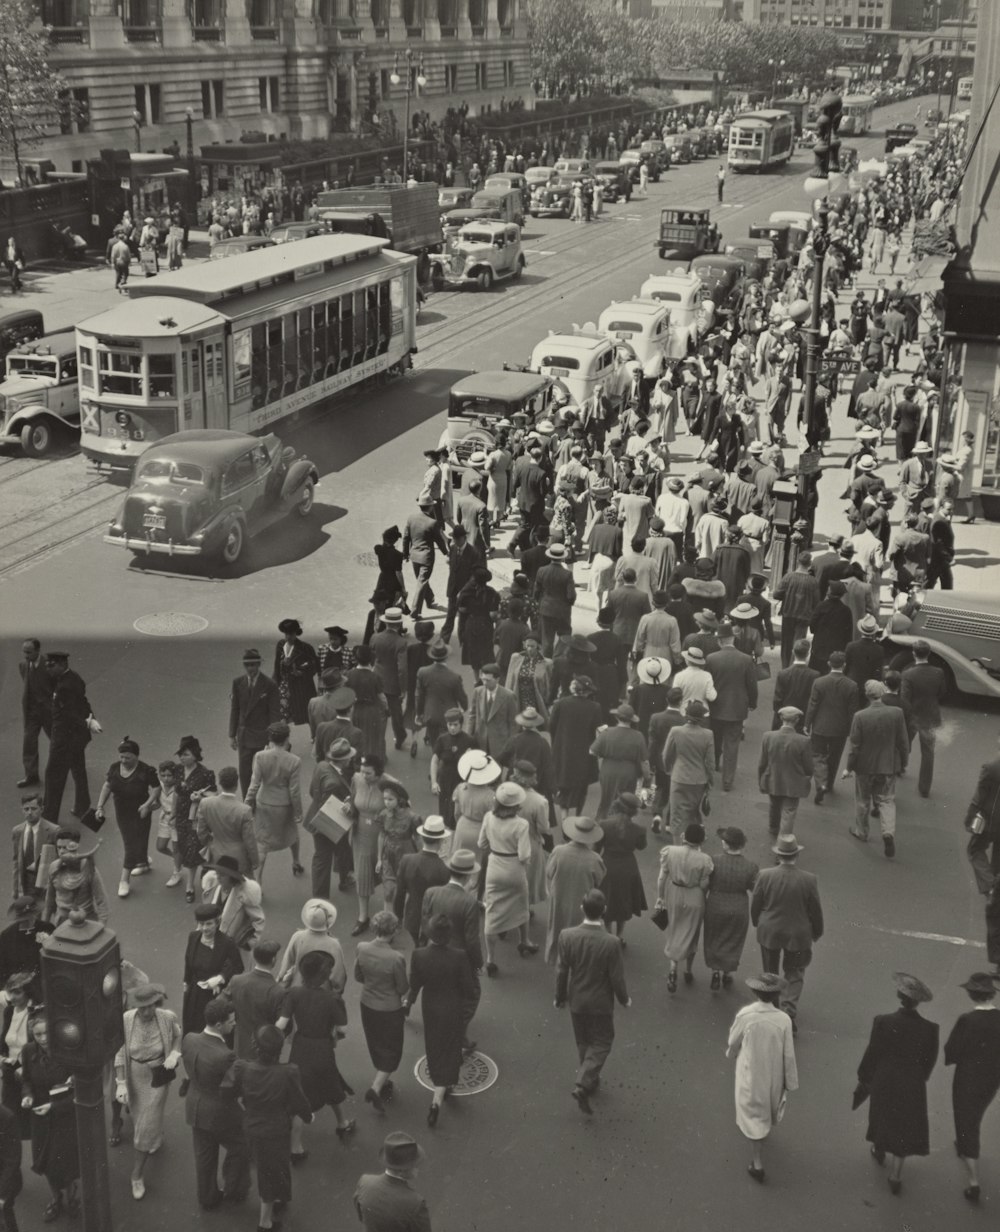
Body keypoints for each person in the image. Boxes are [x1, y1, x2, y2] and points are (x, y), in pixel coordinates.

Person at [221, 1025, 313, 1232]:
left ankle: (276, 1200)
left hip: (252, 1125)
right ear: (279, 1049)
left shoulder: (242, 1068)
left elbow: (226, 1091)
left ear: (255, 1047)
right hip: (276, 1129)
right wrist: (308, 1116)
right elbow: (300, 1102)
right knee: (271, 1172)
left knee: (269, 1167)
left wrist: (242, 1102)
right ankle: (265, 1223)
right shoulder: (288, 1072)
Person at [855, 972, 938, 1196]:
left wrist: (864, 1076)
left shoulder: (883, 1021)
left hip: (885, 1077)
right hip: (912, 1081)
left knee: (883, 1114)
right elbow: (929, 1062)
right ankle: (896, 1175)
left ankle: (879, 1148)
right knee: (905, 1123)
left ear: (900, 996)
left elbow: (872, 1053)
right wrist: (919, 1078)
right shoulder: (930, 1029)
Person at [554, 888, 630, 1116]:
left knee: (583, 1040)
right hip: (600, 1002)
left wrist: (559, 997)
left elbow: (561, 971)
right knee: (603, 1041)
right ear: (604, 911)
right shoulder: (611, 942)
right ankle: (584, 1081)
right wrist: (624, 999)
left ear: (581, 908)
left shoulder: (567, 936)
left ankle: (589, 1077)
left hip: (577, 999)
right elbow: (616, 977)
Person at [276, 951, 355, 1151]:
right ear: (324, 974)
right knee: (331, 1083)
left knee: (300, 1093)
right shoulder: (332, 998)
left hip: (301, 1046)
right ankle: (342, 1124)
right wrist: (334, 1035)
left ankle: (297, 1147)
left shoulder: (293, 993)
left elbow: (281, 1023)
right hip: (323, 1047)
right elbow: (342, 1029)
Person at [726, 972, 798, 1183]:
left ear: (755, 992)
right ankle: (761, 1137)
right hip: (773, 1071)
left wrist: (731, 1053)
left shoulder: (746, 1015)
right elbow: (788, 1053)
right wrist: (790, 1080)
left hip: (750, 1069)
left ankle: (757, 1162)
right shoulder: (783, 1019)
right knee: (766, 1105)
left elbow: (733, 1041)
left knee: (752, 1108)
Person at [406, 915, 477, 1128]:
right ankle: (438, 1097)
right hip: (452, 1006)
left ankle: (440, 1085)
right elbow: (468, 988)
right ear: (449, 936)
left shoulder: (419, 955)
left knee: (434, 1045)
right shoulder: (459, 956)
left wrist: (409, 1001)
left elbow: (415, 983)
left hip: (431, 1006)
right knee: (451, 1045)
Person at [180, 996, 250, 1210]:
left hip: (196, 1107)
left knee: (204, 1156)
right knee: (242, 1145)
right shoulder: (226, 1055)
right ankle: (234, 1187)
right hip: (221, 1112)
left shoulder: (190, 1039)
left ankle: (208, 1197)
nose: (234, 1023)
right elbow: (236, 1086)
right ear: (219, 1025)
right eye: (231, 1021)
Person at [114, 983, 182, 1200]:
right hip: (134, 1075)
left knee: (146, 1121)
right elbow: (120, 1051)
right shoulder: (126, 1019)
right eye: (141, 1008)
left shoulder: (166, 1017)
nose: (145, 1012)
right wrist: (121, 1082)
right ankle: (153, 1136)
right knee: (139, 1115)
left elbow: (178, 1035)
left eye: (150, 1007)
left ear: (157, 1004)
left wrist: (174, 1053)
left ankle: (137, 1175)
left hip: (157, 1076)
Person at [751, 835, 823, 1031]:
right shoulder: (809, 879)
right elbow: (815, 909)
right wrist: (817, 931)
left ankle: (773, 1007)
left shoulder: (765, 875)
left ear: (778, 856)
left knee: (770, 970)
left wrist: (757, 921)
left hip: (770, 930)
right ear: (796, 855)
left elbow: (756, 903)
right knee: (795, 971)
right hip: (798, 933)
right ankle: (788, 1012)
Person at [943, 971, 1000, 1204]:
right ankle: (963, 1144)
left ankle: (974, 1181)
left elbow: (951, 1051)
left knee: (966, 1119)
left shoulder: (967, 1020)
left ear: (972, 995)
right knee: (974, 1116)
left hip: (967, 1078)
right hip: (991, 1079)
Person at [19, 1011, 80, 1219]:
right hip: (40, 1115)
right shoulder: (28, 1052)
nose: (43, 1038)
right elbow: (26, 1079)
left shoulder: (67, 1051)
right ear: (32, 1035)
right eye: (38, 1034)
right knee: (45, 1160)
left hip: (63, 1112)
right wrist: (27, 1096)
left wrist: (53, 1106)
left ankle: (71, 1194)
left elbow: (77, 1088)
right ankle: (56, 1198)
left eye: (46, 1033)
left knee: (65, 1159)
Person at [422, 850, 483, 1053]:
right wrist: (478, 963)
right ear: (467, 876)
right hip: (459, 958)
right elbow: (472, 940)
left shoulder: (431, 893)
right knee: (471, 995)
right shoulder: (469, 902)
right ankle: (457, 1033)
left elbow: (425, 922)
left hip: (433, 950)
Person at [846, 679, 909, 858]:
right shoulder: (897, 713)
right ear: (882, 693)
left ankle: (862, 832)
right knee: (887, 800)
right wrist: (903, 763)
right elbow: (903, 742)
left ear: (867, 695)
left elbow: (855, 746)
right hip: (887, 765)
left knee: (863, 800)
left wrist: (849, 767)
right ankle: (888, 832)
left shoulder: (860, 716)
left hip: (865, 767)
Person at [354, 911, 409, 1115]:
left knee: (375, 1042)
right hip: (389, 1008)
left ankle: (381, 1080)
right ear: (393, 931)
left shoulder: (362, 948)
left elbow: (358, 976)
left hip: (367, 1003)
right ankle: (376, 1087)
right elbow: (402, 987)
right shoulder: (396, 958)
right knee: (392, 1048)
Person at [478, 782, 535, 975]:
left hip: (494, 868)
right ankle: (524, 940)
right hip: (514, 869)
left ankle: (490, 959)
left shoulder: (488, 817)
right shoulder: (521, 824)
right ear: (516, 806)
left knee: (492, 912)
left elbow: (481, 843)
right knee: (522, 903)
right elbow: (524, 855)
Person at [94, 737, 160, 900]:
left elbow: (157, 787)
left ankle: (130, 875)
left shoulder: (146, 770)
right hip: (122, 810)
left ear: (136, 756)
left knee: (140, 837)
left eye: (127, 757)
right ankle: (135, 869)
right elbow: (108, 786)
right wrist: (100, 806)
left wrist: (147, 804)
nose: (123, 760)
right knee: (130, 841)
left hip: (141, 809)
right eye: (121, 757)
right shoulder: (115, 768)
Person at [655, 823, 714, 992]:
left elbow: (661, 877)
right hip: (695, 896)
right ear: (701, 841)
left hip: (673, 892)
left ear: (683, 837)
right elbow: (704, 884)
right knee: (691, 932)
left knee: (674, 929)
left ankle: (673, 967)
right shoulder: (705, 860)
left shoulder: (670, 852)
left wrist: (660, 897)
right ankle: (688, 969)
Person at [42, 650, 99, 822]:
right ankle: (82, 806)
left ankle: (49, 818)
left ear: (62, 665)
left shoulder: (66, 685)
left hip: (64, 739)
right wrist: (90, 719)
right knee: (78, 770)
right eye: (47, 665)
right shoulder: (73, 678)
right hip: (76, 737)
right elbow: (83, 703)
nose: (48, 669)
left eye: (51, 666)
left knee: (53, 776)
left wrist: (88, 722)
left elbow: (70, 713)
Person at [545, 816, 606, 963]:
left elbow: (548, 873)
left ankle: (555, 957)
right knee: (577, 931)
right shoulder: (595, 858)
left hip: (559, 896)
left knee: (556, 926)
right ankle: (575, 959)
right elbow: (599, 880)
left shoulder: (558, 851)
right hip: (581, 900)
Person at [704, 826, 759, 989]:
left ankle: (715, 971)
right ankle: (727, 973)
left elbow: (706, 884)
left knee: (713, 938)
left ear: (726, 845)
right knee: (734, 940)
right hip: (738, 908)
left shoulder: (714, 860)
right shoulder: (751, 866)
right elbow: (754, 889)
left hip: (715, 904)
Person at [706, 627, 758, 791]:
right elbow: (752, 685)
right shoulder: (746, 659)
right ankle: (727, 780)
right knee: (732, 744)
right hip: (737, 708)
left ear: (720, 641)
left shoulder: (711, 658)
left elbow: (708, 684)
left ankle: (713, 766)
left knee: (715, 739)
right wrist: (752, 703)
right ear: (733, 639)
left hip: (716, 707)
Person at [804, 651, 858, 803]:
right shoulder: (852, 686)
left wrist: (807, 723)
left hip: (820, 726)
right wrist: (851, 729)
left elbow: (813, 705)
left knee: (818, 755)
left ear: (829, 664)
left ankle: (820, 783)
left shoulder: (819, 682)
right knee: (834, 757)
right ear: (844, 665)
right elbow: (852, 711)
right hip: (840, 729)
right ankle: (829, 784)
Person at [182, 903, 243, 1036]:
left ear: (217, 922)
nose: (204, 928)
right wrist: (186, 982)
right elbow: (188, 960)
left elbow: (238, 967)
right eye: (201, 924)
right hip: (194, 993)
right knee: (192, 1028)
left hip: (215, 996)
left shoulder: (227, 943)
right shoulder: (193, 937)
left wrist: (220, 978)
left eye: (209, 924)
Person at [354, 1132, 432, 1232]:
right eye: (414, 1165)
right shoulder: (415, 1203)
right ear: (401, 1170)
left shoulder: (365, 1181)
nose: (418, 1168)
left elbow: (361, 1215)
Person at [228, 649, 280, 798]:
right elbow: (235, 709)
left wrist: (273, 739)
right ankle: (248, 801)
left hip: (261, 735)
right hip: (244, 735)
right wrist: (231, 735)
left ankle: (262, 799)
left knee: (262, 771)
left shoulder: (269, 685)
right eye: (247, 665)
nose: (250, 669)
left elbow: (274, 713)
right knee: (245, 772)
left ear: (259, 665)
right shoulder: (238, 683)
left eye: (253, 665)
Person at [173, 734, 218, 904]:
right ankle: (204, 873)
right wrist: (172, 813)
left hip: (197, 817)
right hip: (181, 816)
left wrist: (200, 796)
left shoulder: (205, 773)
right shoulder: (178, 770)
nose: (182, 758)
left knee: (193, 848)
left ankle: (190, 886)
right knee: (185, 847)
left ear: (195, 755)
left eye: (186, 755)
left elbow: (214, 794)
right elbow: (176, 793)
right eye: (181, 755)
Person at [598, 794, 648, 942]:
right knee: (623, 900)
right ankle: (619, 935)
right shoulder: (639, 829)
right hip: (628, 867)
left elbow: (597, 847)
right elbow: (641, 847)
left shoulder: (604, 824)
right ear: (634, 812)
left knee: (607, 899)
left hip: (607, 865)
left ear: (617, 806)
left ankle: (608, 933)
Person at [662, 699, 715, 841]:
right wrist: (710, 780)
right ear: (702, 718)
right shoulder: (708, 734)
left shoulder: (676, 731)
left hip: (679, 777)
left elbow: (666, 754)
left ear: (686, 714)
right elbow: (710, 762)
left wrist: (668, 769)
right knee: (693, 813)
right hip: (699, 779)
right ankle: (693, 843)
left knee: (677, 815)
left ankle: (678, 847)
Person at [900, 640, 947, 798]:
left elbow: (904, 699)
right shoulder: (938, 672)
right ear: (929, 654)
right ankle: (924, 788)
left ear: (914, 654)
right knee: (928, 752)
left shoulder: (908, 674)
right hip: (930, 716)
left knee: (904, 743)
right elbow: (942, 693)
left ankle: (901, 766)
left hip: (913, 715)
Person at [758, 707, 814, 838]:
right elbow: (809, 767)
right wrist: (806, 778)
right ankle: (784, 842)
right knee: (789, 812)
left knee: (774, 805)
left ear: (781, 719)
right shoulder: (804, 741)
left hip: (773, 779)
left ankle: (773, 828)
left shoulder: (768, 736)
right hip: (794, 782)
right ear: (797, 720)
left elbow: (762, 763)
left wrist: (761, 780)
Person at [225, 939, 285, 1061]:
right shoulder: (278, 991)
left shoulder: (236, 980)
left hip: (240, 1047)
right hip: (265, 1053)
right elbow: (283, 1027)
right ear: (273, 960)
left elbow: (221, 1003)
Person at [393, 817, 450, 943]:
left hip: (412, 915)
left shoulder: (407, 860)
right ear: (440, 841)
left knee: (416, 944)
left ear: (422, 838)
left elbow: (399, 893)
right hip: (433, 920)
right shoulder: (443, 868)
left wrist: (399, 916)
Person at [590, 704, 651, 820]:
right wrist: (647, 777)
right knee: (624, 801)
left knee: (606, 800)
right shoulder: (638, 736)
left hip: (608, 770)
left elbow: (592, 751)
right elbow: (644, 760)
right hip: (628, 773)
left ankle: (601, 824)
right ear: (631, 720)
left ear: (617, 717)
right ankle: (621, 825)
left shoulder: (607, 732)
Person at [196, 765, 259, 876]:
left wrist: (210, 843)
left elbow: (201, 832)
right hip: (239, 858)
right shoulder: (244, 810)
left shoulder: (206, 803)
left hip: (216, 854)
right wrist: (255, 861)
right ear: (236, 785)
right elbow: (250, 841)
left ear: (220, 783)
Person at [43, 828, 109, 925]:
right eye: (59, 847)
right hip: (62, 922)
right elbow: (49, 900)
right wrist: (44, 925)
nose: (61, 852)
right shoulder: (53, 867)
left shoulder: (88, 868)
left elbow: (101, 901)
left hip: (86, 921)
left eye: (65, 847)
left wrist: (101, 926)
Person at [278, 899, 347, 992]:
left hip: (297, 987)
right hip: (322, 991)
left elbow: (287, 962)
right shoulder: (333, 944)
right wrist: (338, 990)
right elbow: (338, 975)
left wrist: (282, 978)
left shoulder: (297, 936)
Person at [200, 855, 265, 951]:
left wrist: (248, 943)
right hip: (211, 943)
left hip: (234, 949)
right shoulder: (213, 888)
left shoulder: (244, 895)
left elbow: (259, 919)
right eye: (217, 873)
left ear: (232, 877)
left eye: (222, 875)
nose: (218, 877)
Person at [415, 644, 468, 749]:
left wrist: (419, 713)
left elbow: (419, 696)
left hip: (431, 715)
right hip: (449, 716)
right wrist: (464, 708)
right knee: (449, 745)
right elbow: (462, 697)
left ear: (432, 657)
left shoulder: (422, 672)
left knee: (435, 744)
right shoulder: (454, 677)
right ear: (446, 657)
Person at [0, 899, 52, 1001]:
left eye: (31, 915)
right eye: (24, 919)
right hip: (17, 989)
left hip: (42, 984)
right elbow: (2, 965)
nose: (30, 920)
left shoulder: (47, 928)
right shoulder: (7, 936)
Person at [773, 555, 820, 668]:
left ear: (798, 562)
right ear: (809, 564)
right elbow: (816, 601)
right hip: (804, 616)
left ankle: (785, 666)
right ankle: (795, 666)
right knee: (798, 643)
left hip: (788, 613)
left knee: (786, 643)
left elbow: (776, 594)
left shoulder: (788, 577)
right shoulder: (813, 581)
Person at [10, 795, 58, 901]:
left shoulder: (53, 831)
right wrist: (15, 888)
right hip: (25, 881)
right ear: (22, 810)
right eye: (26, 809)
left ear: (42, 809)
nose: (30, 812)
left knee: (41, 914)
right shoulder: (17, 831)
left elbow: (58, 860)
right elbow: (16, 861)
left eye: (34, 808)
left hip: (44, 883)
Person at [272, 619, 319, 727]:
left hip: (300, 687)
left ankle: (313, 735)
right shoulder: (280, 645)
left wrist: (301, 673)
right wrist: (275, 683)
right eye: (286, 634)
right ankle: (283, 738)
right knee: (283, 715)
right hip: (284, 685)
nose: (288, 637)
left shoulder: (306, 647)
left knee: (306, 714)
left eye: (291, 634)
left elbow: (314, 666)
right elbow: (276, 666)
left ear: (296, 633)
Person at [17, 638, 51, 789]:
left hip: (49, 712)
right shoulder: (23, 665)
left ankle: (64, 769)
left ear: (38, 651)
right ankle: (31, 776)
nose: (25, 655)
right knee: (29, 743)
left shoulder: (49, 665)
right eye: (24, 651)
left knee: (58, 742)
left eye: (29, 652)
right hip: (32, 713)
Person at [465, 664, 517, 756]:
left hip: (499, 744)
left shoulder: (508, 696)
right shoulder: (477, 692)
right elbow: (472, 716)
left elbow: (513, 723)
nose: (484, 683)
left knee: (497, 769)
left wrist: (511, 744)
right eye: (483, 679)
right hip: (480, 742)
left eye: (488, 680)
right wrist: (467, 738)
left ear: (497, 679)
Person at [771, 639, 818, 732]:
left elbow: (777, 700)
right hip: (801, 720)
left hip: (783, 720)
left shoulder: (783, 673)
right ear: (808, 654)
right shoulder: (814, 675)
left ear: (793, 652)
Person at [0, 1101, 22, 1232]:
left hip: (3, 1183)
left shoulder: (6, 1117)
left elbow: (12, 1161)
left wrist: (1, 1195)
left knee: (6, 1221)